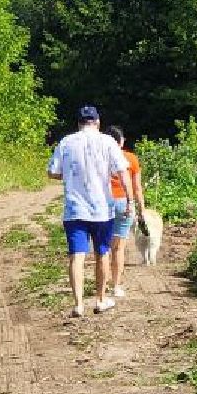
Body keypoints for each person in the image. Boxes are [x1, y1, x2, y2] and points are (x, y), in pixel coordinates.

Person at [47, 106, 138, 317]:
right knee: (102, 252)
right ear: (97, 122)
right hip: (101, 210)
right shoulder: (107, 142)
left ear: (78, 123)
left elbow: (52, 172)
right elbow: (123, 172)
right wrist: (130, 200)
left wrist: (70, 176)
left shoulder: (66, 142)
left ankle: (78, 304)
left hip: (74, 209)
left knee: (76, 256)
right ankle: (100, 299)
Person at [104, 125, 145, 298]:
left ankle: (102, 285)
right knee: (119, 248)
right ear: (121, 141)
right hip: (123, 203)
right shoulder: (131, 159)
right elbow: (137, 188)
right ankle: (116, 286)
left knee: (103, 247)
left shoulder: (101, 157)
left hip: (104, 203)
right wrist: (141, 209)